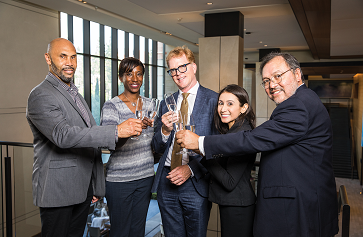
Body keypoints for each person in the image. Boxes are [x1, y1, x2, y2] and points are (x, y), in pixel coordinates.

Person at [176, 52, 339, 237]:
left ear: (297, 74)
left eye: (278, 76)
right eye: (266, 80)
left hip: (298, 207)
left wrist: (200, 143)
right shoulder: (303, 101)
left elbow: (253, 139)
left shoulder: (298, 105)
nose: (271, 85)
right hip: (298, 203)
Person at [26, 38, 142, 237]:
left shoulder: (75, 94)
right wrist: (115, 131)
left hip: (82, 189)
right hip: (58, 191)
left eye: (73, 57)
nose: (69, 62)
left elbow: (89, 139)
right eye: (62, 56)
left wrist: (96, 185)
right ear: (48, 58)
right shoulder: (41, 94)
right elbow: (63, 136)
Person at [151, 45, 218, 237]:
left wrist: (190, 170)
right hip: (166, 179)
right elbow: (156, 147)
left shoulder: (213, 100)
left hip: (196, 182)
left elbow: (217, 147)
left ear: (194, 67)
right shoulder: (166, 102)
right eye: (173, 70)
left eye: (182, 67)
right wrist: (164, 130)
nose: (178, 74)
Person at [100, 57, 155, 237]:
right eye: (129, 74)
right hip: (120, 180)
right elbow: (109, 144)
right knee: (120, 231)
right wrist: (128, 131)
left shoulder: (150, 104)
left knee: (138, 230)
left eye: (139, 74)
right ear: (120, 78)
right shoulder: (111, 106)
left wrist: (161, 128)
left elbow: (155, 143)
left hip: (146, 177)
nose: (134, 78)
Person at [201, 84, 256, 237]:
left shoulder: (242, 135)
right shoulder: (231, 132)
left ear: (244, 108)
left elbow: (229, 182)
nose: (223, 109)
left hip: (239, 206)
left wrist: (203, 152)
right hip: (233, 204)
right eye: (220, 103)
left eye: (230, 103)